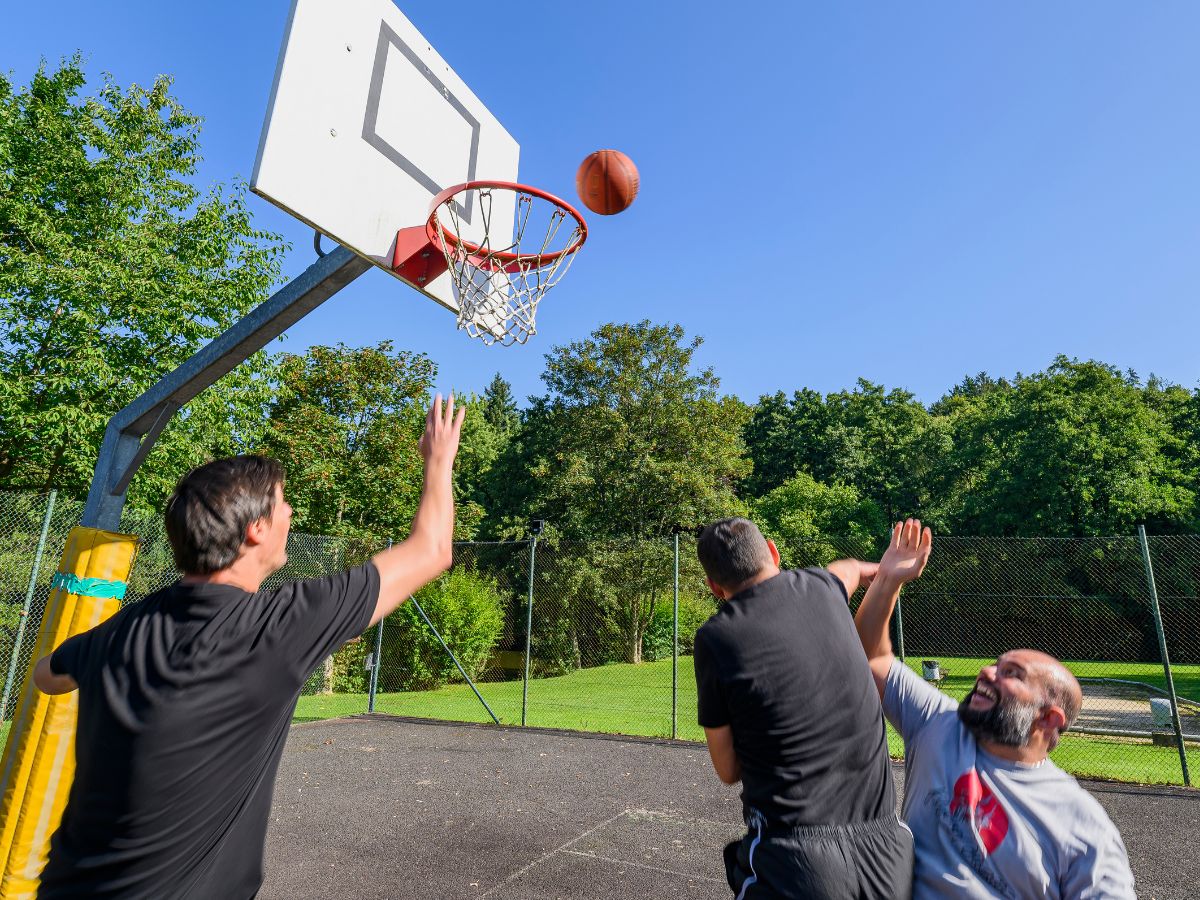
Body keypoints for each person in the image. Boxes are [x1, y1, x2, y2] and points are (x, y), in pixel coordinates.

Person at [32, 395, 465, 899]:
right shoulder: (276, 626)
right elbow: (433, 549)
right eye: (283, 502)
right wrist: (438, 461)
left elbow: (47, 674)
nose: (291, 511)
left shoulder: (129, 625)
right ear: (256, 528)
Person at [854, 519, 1136, 899]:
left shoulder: (1082, 823)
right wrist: (889, 581)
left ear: (1048, 718)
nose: (987, 672)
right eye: (995, 663)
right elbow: (871, 657)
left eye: (1011, 674)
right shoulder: (940, 725)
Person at [692, 517, 914, 900]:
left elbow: (728, 770)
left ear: (715, 586)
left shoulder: (716, 638)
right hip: (890, 854)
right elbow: (849, 569)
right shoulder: (823, 586)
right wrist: (885, 570)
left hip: (794, 860)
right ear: (773, 552)